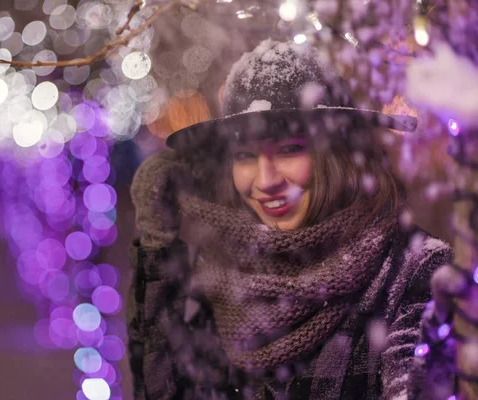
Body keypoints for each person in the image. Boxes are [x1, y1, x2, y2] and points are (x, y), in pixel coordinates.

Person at [127, 39, 454, 400]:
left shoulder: (414, 272)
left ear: (338, 153)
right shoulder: (229, 275)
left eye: (290, 149)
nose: (266, 181)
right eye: (246, 156)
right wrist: (158, 244)